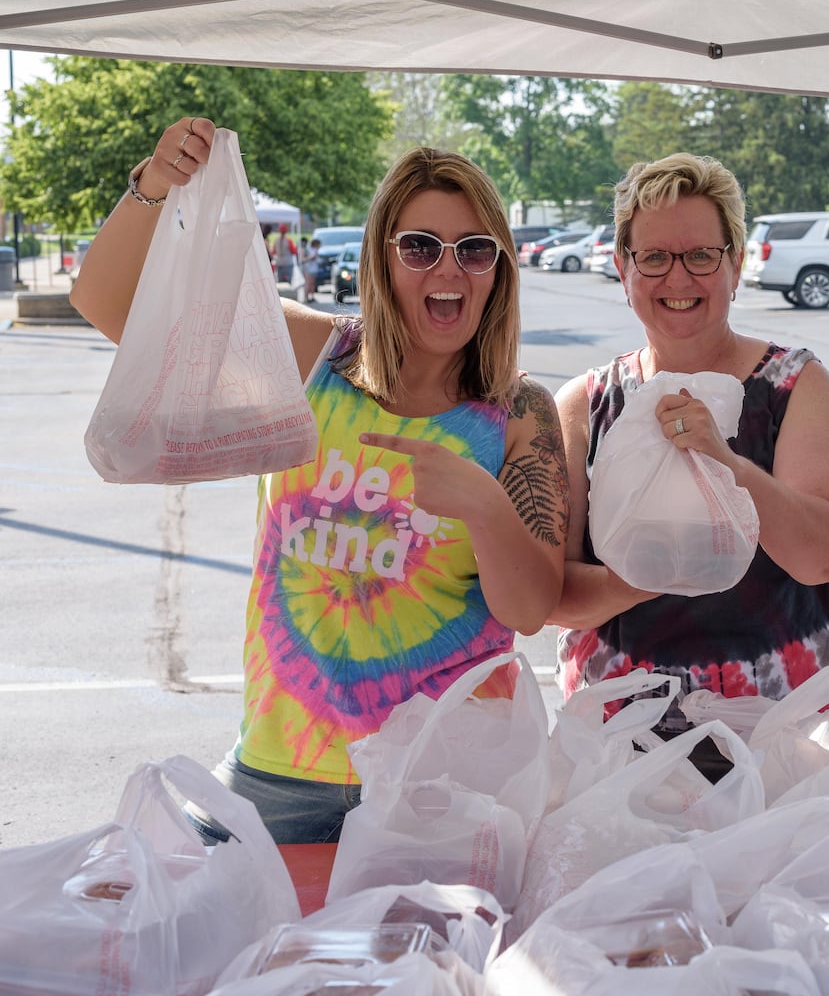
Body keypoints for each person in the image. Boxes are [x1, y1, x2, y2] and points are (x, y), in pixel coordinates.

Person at [71, 116, 569, 844]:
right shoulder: (314, 356)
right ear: (381, 257)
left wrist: (485, 507)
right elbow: (109, 306)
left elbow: (529, 609)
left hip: (441, 790)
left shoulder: (520, 412)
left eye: (474, 250)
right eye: (421, 247)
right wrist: (154, 186)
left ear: (499, 269)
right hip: (281, 772)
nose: (448, 270)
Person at [549, 152, 829, 774]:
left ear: (735, 264)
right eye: (654, 258)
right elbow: (556, 594)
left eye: (701, 256)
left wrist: (727, 466)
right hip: (626, 725)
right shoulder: (583, 405)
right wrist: (669, 568)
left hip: (791, 720)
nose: (679, 278)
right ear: (623, 268)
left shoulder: (794, 384)